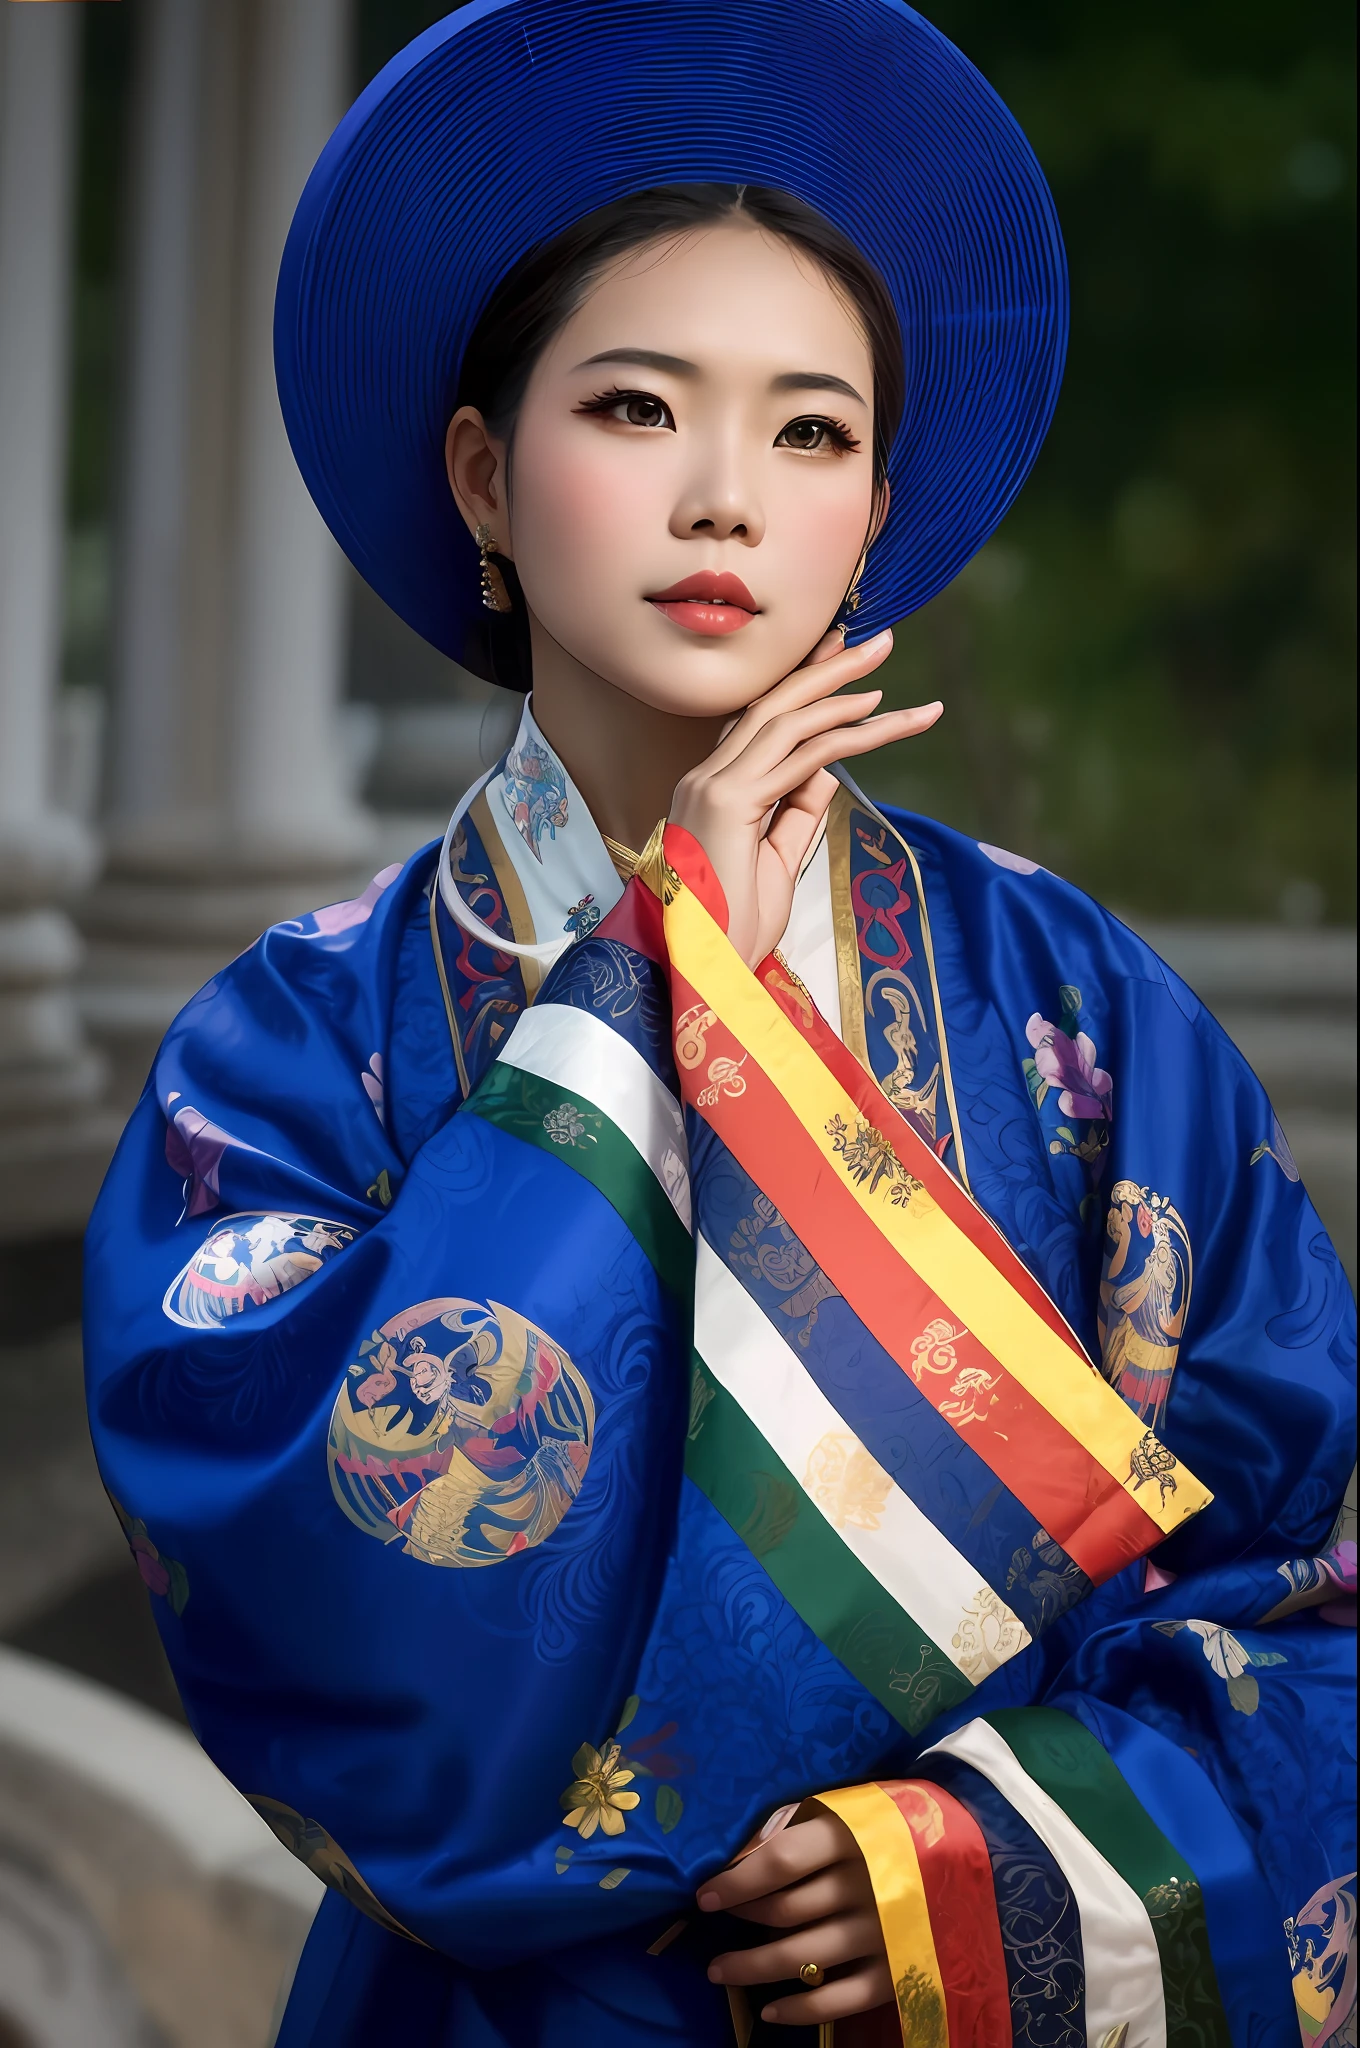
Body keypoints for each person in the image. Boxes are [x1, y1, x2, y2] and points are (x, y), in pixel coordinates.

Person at [84, 3, 1356, 2043]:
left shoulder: (1074, 1011)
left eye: (809, 430)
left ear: (874, 516)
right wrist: (648, 988)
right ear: (484, 477)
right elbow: (300, 1600)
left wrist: (989, 1880)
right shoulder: (294, 1049)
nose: (721, 500)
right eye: (634, 409)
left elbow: (1293, 1593)